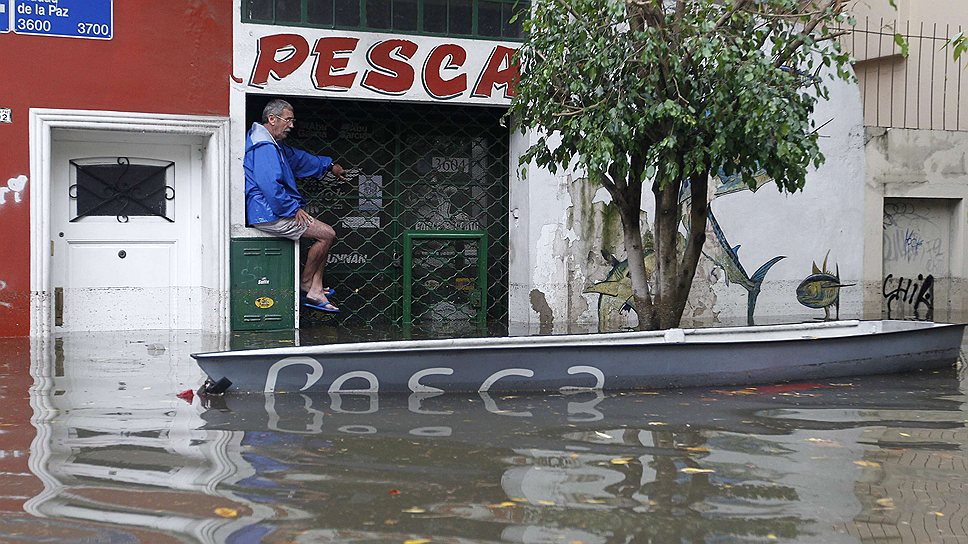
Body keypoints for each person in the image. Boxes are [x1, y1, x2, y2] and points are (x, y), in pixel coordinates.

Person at [244, 99, 346, 313]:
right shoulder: (264, 146)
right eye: (288, 120)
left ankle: (315, 287)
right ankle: (308, 284)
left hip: (269, 211)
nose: (291, 125)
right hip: (268, 213)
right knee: (326, 234)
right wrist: (292, 209)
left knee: (326, 235)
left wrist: (329, 166)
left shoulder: (273, 144)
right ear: (272, 119)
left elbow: (298, 159)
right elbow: (269, 185)